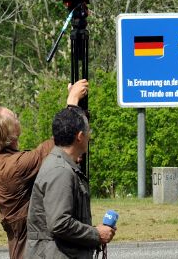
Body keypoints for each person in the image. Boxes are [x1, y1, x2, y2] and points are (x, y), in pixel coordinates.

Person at [0, 79, 89, 259]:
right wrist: (72, 102)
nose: (18, 118)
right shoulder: (14, 167)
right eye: (14, 117)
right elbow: (59, 143)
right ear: (10, 132)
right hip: (30, 252)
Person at [24, 105, 115, 259]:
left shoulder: (62, 165)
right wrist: (96, 234)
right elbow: (59, 223)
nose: (89, 136)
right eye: (88, 132)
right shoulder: (61, 171)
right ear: (80, 136)